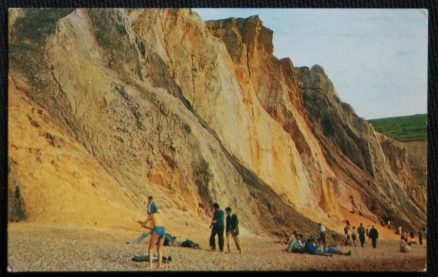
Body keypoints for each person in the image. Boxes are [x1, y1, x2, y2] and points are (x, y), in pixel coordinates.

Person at [138, 204, 166, 269]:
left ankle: (150, 266)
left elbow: (143, 224)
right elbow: (157, 226)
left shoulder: (151, 215)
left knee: (151, 248)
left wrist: (140, 222)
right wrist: (152, 229)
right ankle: (159, 265)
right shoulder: (159, 215)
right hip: (163, 230)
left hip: (157, 229)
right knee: (160, 249)